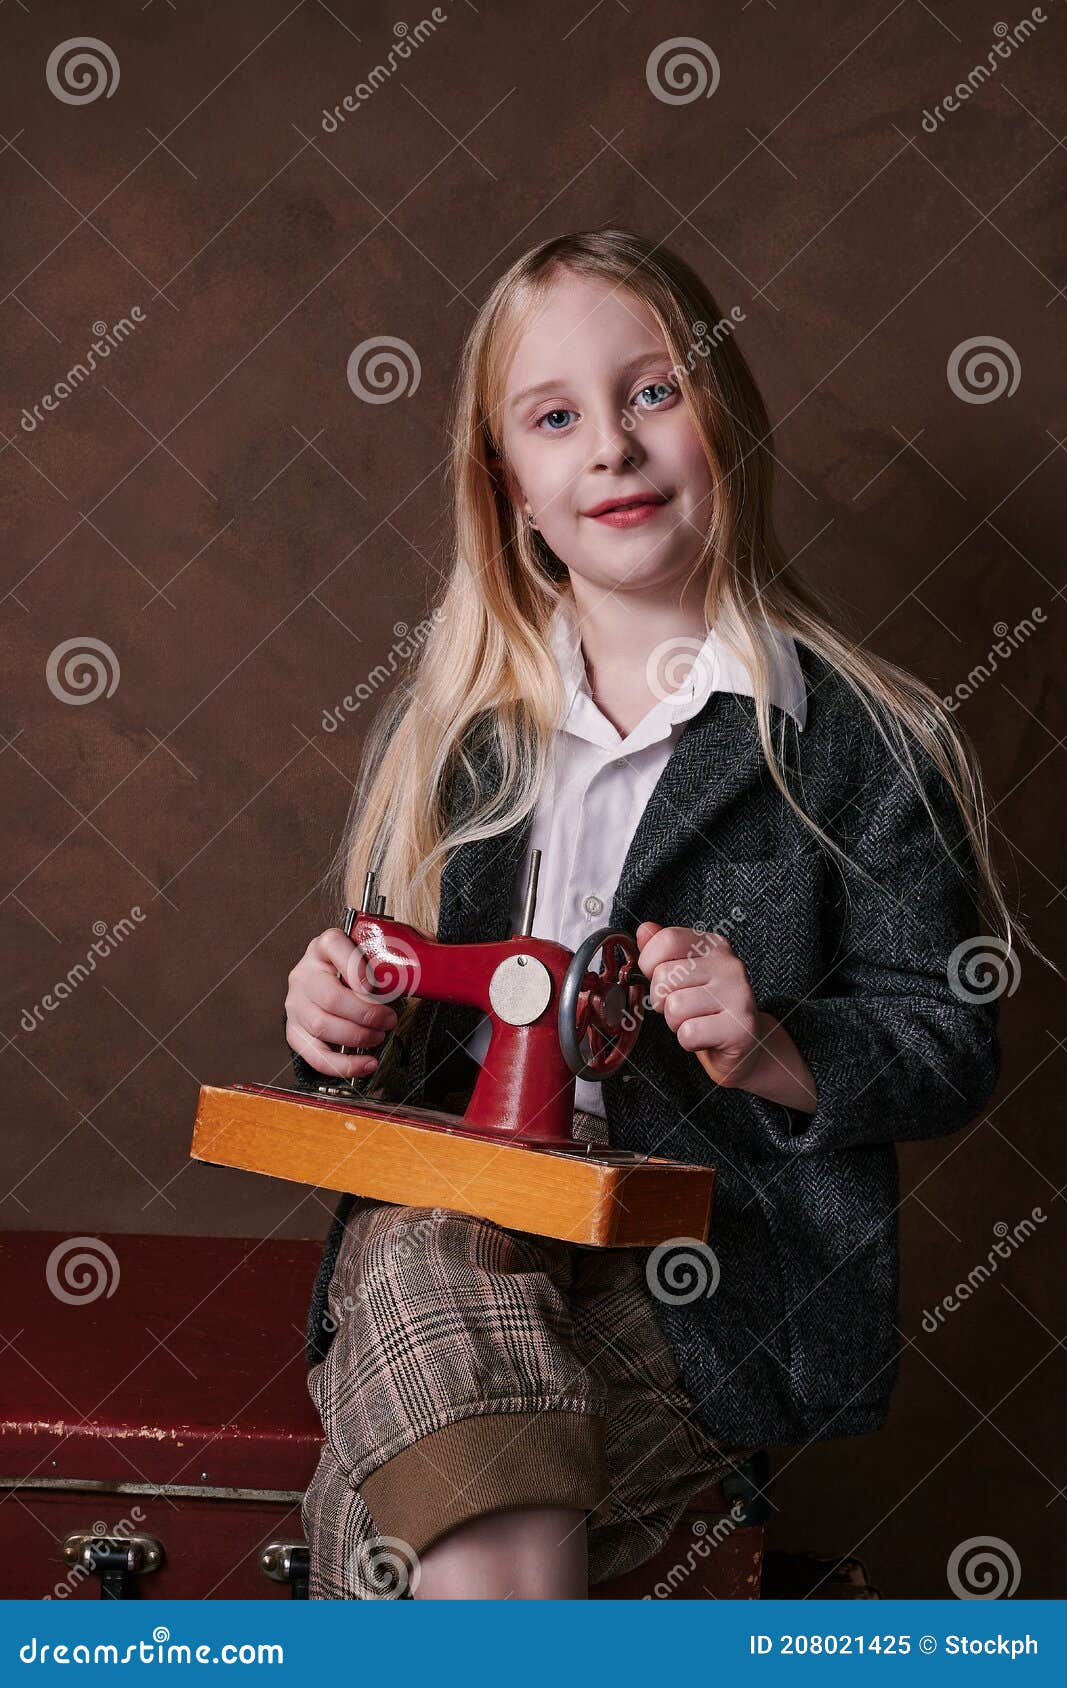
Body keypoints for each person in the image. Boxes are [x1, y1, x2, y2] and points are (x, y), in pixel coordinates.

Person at [283, 228, 1036, 1600]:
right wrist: (340, 1020)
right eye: (556, 418)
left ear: (725, 424)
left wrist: (772, 1047)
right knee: (426, 1243)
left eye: (652, 393)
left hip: (702, 1282)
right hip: (460, 1234)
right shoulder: (449, 735)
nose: (611, 450)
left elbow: (950, 1033)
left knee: (393, 1526)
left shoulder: (864, 738)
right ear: (508, 485)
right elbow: (399, 1030)